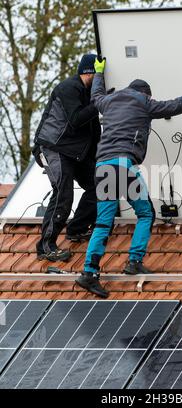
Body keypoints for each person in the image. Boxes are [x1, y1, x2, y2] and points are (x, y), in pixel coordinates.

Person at [75, 57, 182, 297]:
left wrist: (99, 73)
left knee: (103, 223)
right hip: (122, 165)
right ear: (146, 94)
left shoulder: (108, 101)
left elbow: (95, 95)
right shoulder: (144, 102)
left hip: (103, 167)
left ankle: (90, 273)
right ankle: (131, 262)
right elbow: (175, 105)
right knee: (145, 213)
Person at [32, 54, 101, 262]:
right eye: (97, 76)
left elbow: (94, 133)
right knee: (63, 193)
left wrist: (101, 158)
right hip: (53, 148)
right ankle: (46, 246)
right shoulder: (68, 88)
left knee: (100, 183)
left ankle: (77, 229)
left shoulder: (90, 95)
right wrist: (99, 103)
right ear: (88, 72)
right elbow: (76, 119)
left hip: (74, 152)